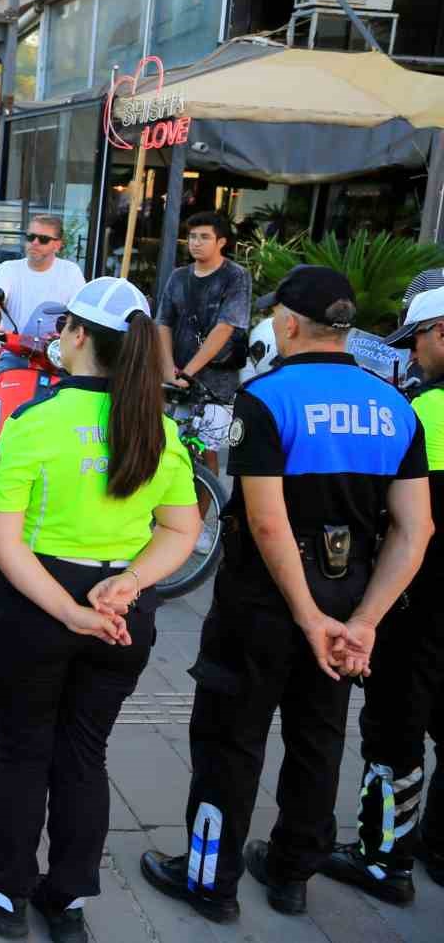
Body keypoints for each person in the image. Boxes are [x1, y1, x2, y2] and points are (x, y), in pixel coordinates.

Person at [140, 266, 431, 923]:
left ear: (291, 324)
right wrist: (362, 622)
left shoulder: (268, 399)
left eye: (275, 317)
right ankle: (293, 871)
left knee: (229, 737)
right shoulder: (392, 405)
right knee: (319, 735)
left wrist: (304, 616)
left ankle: (209, 879)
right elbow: (417, 528)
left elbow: (267, 521)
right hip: (347, 598)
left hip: (263, 607)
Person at [0, 278, 201, 942]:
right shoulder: (155, 426)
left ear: (75, 336)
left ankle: (8, 892)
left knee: (20, 751)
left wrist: (68, 611)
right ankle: (66, 900)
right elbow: (181, 531)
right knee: (84, 754)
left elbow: (1, 537)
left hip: (36, 605)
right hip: (123, 613)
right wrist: (128, 583)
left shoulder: (34, 421)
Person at [315, 286, 444, 902]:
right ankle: (437, 850)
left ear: (440, 333)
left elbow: (411, 521)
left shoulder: (430, 412)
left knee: (395, 725)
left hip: (421, 603)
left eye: (417, 340)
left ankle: (383, 858)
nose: (414, 356)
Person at [156, 211, 251, 545]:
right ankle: (163, 519)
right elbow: (163, 322)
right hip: (175, 377)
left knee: (207, 451)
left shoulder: (235, 277)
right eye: (192, 236)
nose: (196, 243)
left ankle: (200, 524)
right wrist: (169, 368)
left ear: (222, 241)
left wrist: (189, 371)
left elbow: (225, 328)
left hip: (216, 382)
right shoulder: (178, 277)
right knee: (165, 445)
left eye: (204, 237)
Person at [0, 215, 85, 343]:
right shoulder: (9, 268)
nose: (35, 242)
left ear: (57, 245)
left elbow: (79, 312)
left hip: (52, 352)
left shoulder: (71, 272)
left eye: (43, 239)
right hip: (13, 348)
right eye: (31, 237)